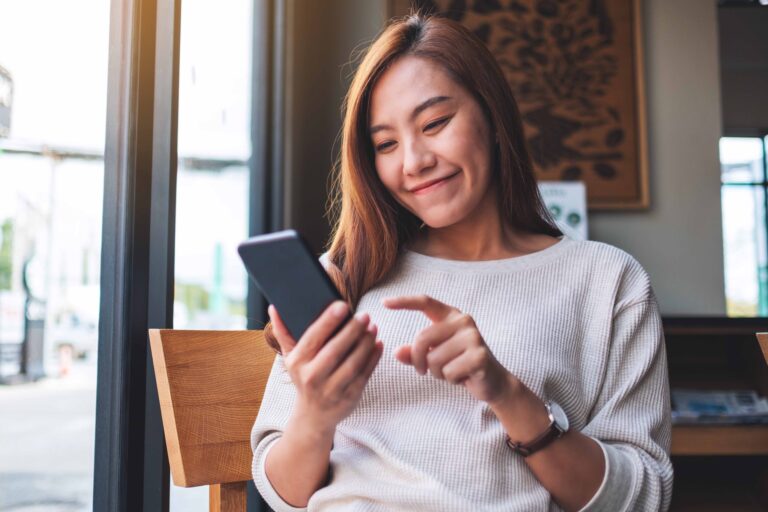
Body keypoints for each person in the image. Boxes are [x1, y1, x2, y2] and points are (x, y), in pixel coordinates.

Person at [251, 13, 672, 512]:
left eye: (434, 123)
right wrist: (318, 414)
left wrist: (508, 395)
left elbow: (644, 496)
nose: (413, 161)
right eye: (385, 144)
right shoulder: (347, 274)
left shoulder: (608, 282)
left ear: (493, 118)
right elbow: (282, 493)